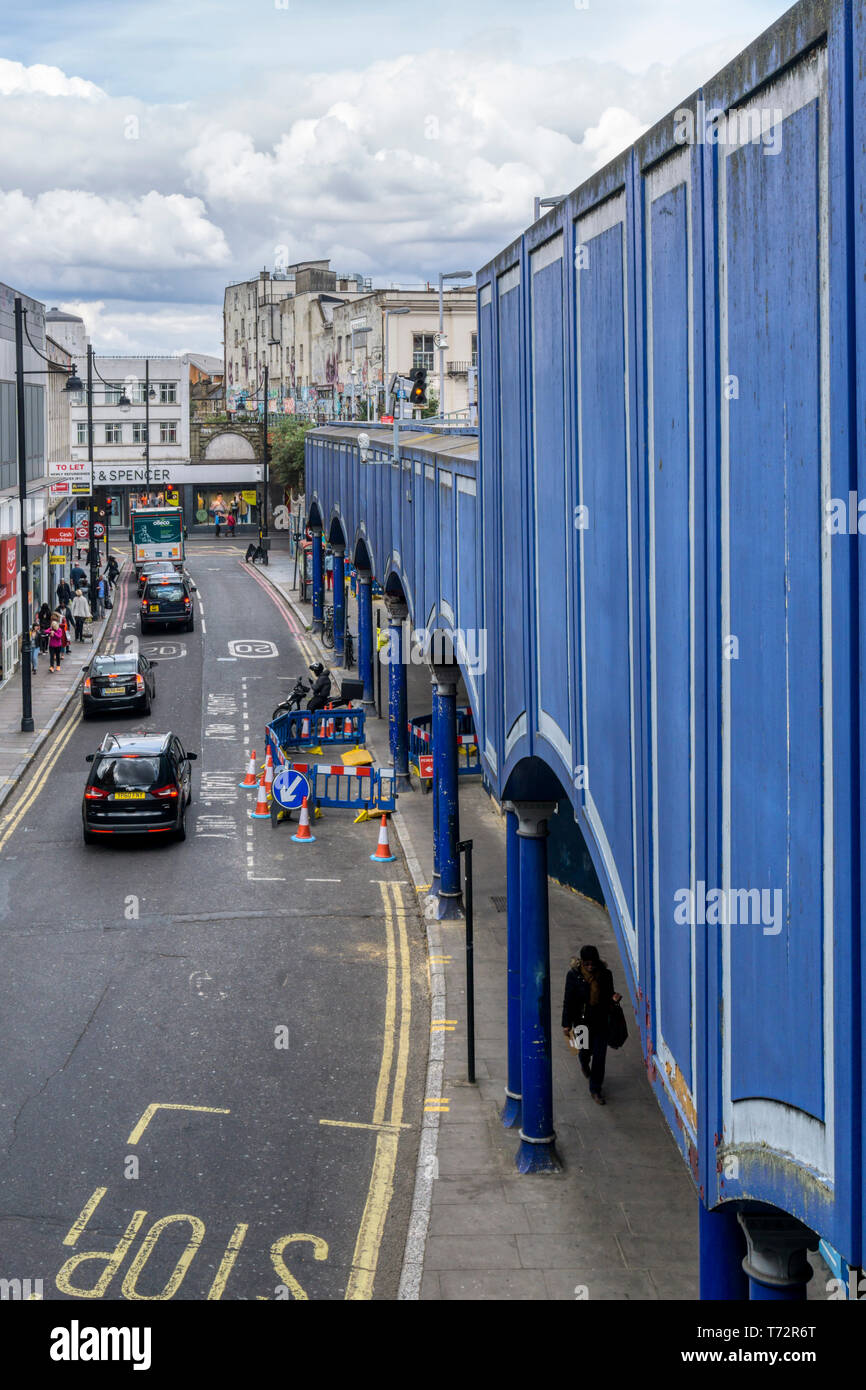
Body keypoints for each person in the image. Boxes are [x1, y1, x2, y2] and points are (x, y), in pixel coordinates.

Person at [561, 944, 622, 1105]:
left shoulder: (605, 974)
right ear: (581, 962)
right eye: (587, 964)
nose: (590, 967)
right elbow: (568, 1000)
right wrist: (566, 1024)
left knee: (600, 1057)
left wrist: (614, 999)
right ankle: (583, 1063)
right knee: (584, 1051)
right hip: (581, 1021)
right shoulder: (574, 976)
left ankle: (595, 1089)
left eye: (592, 963)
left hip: (601, 1020)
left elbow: (609, 994)